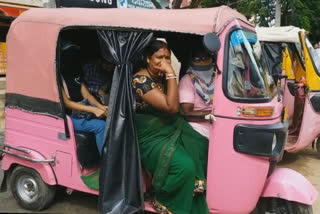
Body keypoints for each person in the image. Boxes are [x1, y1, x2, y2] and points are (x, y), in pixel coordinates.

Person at [133, 39, 209, 214]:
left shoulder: (159, 77)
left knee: (201, 145)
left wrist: (168, 74)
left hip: (168, 127)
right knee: (185, 167)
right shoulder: (140, 80)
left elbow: (173, 108)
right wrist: (171, 73)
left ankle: (190, 196)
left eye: (167, 58)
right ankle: (165, 196)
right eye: (159, 57)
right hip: (149, 136)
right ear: (147, 59)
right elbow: (172, 107)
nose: (164, 62)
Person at [60, 41, 107, 155]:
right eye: (68, 53)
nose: (71, 56)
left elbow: (87, 95)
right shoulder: (58, 77)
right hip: (69, 117)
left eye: (73, 53)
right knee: (101, 126)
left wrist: (102, 107)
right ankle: (106, 163)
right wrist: (93, 109)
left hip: (81, 112)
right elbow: (67, 103)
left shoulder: (74, 73)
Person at [179, 45, 215, 139]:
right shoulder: (187, 80)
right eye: (197, 58)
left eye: (206, 58)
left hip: (218, 122)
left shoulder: (218, 77)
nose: (202, 61)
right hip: (198, 127)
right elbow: (187, 113)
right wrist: (210, 115)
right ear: (191, 60)